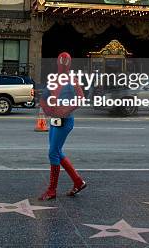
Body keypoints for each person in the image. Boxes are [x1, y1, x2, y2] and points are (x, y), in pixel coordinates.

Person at [38, 52, 87, 200]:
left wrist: (65, 109)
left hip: (65, 121)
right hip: (56, 120)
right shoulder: (55, 79)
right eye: (61, 61)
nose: (63, 64)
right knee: (57, 152)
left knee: (53, 152)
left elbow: (80, 99)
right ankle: (78, 181)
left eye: (65, 62)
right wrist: (48, 109)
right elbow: (43, 98)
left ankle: (52, 190)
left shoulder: (72, 80)